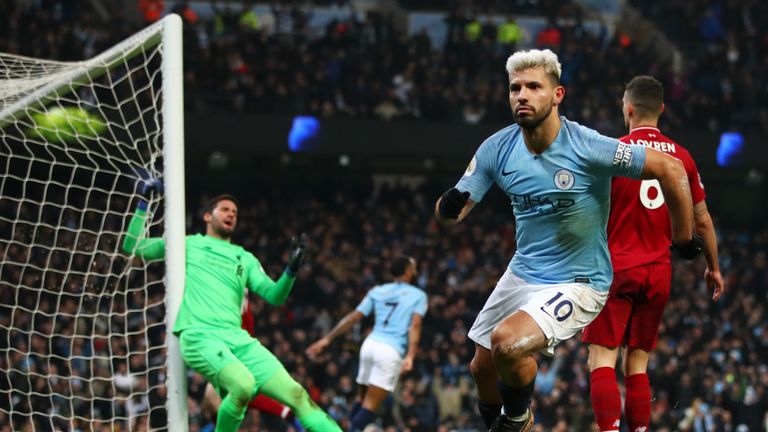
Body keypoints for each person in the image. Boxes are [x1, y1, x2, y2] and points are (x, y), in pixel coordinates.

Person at [433, 49, 701, 432]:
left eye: (533, 87)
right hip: (524, 272)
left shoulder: (588, 145)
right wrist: (446, 207)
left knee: (508, 343)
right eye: (515, 88)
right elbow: (450, 215)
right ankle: (502, 425)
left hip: (581, 280)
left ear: (557, 95)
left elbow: (669, 168)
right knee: (481, 367)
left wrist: (683, 236)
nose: (521, 95)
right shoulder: (497, 148)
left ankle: (518, 419)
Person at [121, 193, 341, 432]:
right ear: (207, 216)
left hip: (238, 339)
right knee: (243, 385)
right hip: (199, 335)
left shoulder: (244, 258)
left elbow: (275, 296)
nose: (231, 215)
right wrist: (143, 204)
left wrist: (291, 269)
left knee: (297, 394)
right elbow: (132, 246)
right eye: (225, 209)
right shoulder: (188, 244)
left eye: (235, 213)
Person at [581, 75, 726, 432]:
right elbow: (703, 221)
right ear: (661, 109)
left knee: (601, 358)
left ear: (627, 109)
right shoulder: (683, 157)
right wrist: (713, 268)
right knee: (638, 364)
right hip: (658, 271)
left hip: (615, 267)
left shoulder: (612, 152)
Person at [305, 256, 427, 432]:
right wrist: (410, 356)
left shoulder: (378, 290)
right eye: (414, 267)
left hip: (369, 345)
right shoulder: (419, 295)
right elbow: (415, 325)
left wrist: (327, 338)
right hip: (390, 351)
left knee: (360, 399)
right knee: (370, 406)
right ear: (408, 271)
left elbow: (354, 317)